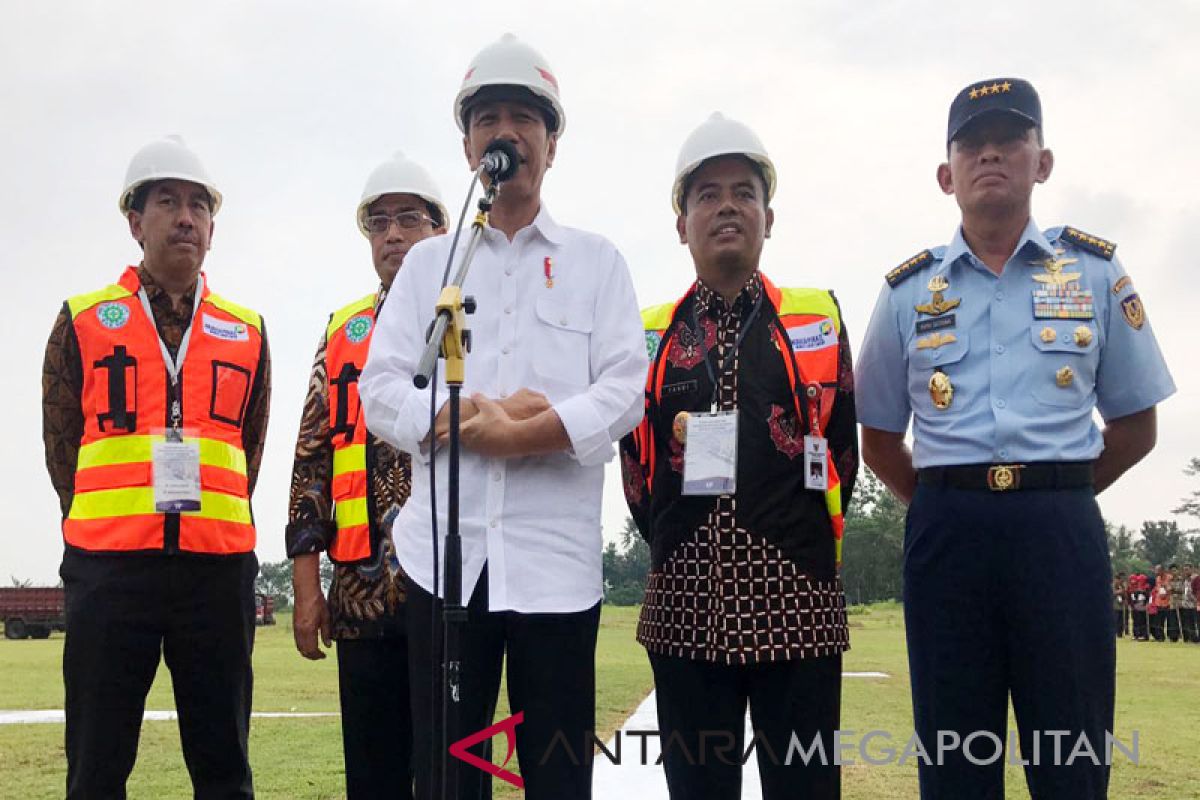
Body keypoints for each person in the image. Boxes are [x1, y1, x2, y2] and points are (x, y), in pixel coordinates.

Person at [855, 78, 1175, 799]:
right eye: (972, 142)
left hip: (1059, 532)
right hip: (948, 533)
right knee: (954, 755)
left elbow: (1136, 425)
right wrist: (942, 500)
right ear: (947, 174)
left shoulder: (1094, 272)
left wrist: (1054, 492)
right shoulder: (908, 292)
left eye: (1011, 138)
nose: (991, 153)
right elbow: (877, 437)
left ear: (1043, 160)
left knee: (1070, 753)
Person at [358, 33, 647, 800]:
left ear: (552, 145)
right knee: (450, 777)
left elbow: (624, 389)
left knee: (555, 776)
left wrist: (527, 432)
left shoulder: (597, 262)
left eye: (525, 117)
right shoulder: (430, 266)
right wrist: (470, 419)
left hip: (556, 568)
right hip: (444, 565)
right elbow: (380, 392)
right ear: (467, 147)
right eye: (488, 119)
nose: (505, 133)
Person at [619, 112, 856, 799]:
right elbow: (638, 475)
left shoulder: (816, 318)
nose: (727, 206)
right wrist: (687, 547)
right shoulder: (646, 336)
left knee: (808, 790)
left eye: (744, 192)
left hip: (799, 607)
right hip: (683, 611)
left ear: (769, 216)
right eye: (708, 194)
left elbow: (843, 452)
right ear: (681, 222)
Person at [42, 136, 270, 799]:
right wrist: (104, 522)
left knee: (225, 769)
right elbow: (64, 447)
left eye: (199, 205)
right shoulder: (83, 321)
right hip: (110, 570)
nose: (185, 218)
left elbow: (245, 450)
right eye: (166, 202)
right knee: (96, 767)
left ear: (213, 226)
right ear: (134, 221)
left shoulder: (246, 329)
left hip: (218, 572)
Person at [285, 152, 448, 799]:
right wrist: (306, 590)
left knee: (451, 776)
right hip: (361, 597)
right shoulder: (343, 332)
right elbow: (310, 463)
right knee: (374, 782)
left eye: (409, 219)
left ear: (441, 230)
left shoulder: (477, 321)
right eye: (379, 224)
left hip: (454, 596)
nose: (393, 235)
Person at [1151, 565, 1169, 641]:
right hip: (1158, 603)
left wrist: (1166, 587)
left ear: (1162, 570)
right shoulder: (1157, 578)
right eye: (1155, 570)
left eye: (1157, 570)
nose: (1156, 572)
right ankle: (1160, 637)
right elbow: (1157, 588)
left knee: (1168, 621)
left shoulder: (1169, 578)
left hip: (1167, 603)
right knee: (1158, 621)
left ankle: (1172, 636)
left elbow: (1170, 588)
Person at [1129, 574, 1150, 641]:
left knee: (1142, 621)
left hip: (1142, 607)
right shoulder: (1132, 587)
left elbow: (1148, 596)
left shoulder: (1146, 586)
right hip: (1135, 606)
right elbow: (1131, 597)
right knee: (1136, 621)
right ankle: (1136, 634)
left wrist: (1142, 592)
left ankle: (1143, 635)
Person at [1180, 564, 1197, 643]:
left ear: (1191, 569)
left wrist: (1195, 599)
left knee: (1195, 622)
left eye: (1187, 569)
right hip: (1186, 605)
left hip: (1195, 604)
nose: (1185, 571)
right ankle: (1192, 638)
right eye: (1184, 570)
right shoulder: (1185, 580)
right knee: (1188, 623)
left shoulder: (1196, 578)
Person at [1113, 572, 1128, 638]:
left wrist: (1123, 591)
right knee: (1116, 620)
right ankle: (1115, 632)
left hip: (1120, 606)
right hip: (1114, 606)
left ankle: (1120, 633)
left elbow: (1125, 595)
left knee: (1121, 621)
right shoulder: (1113, 585)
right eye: (1118, 580)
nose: (1119, 581)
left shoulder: (1121, 586)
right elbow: (1112, 593)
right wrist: (1120, 591)